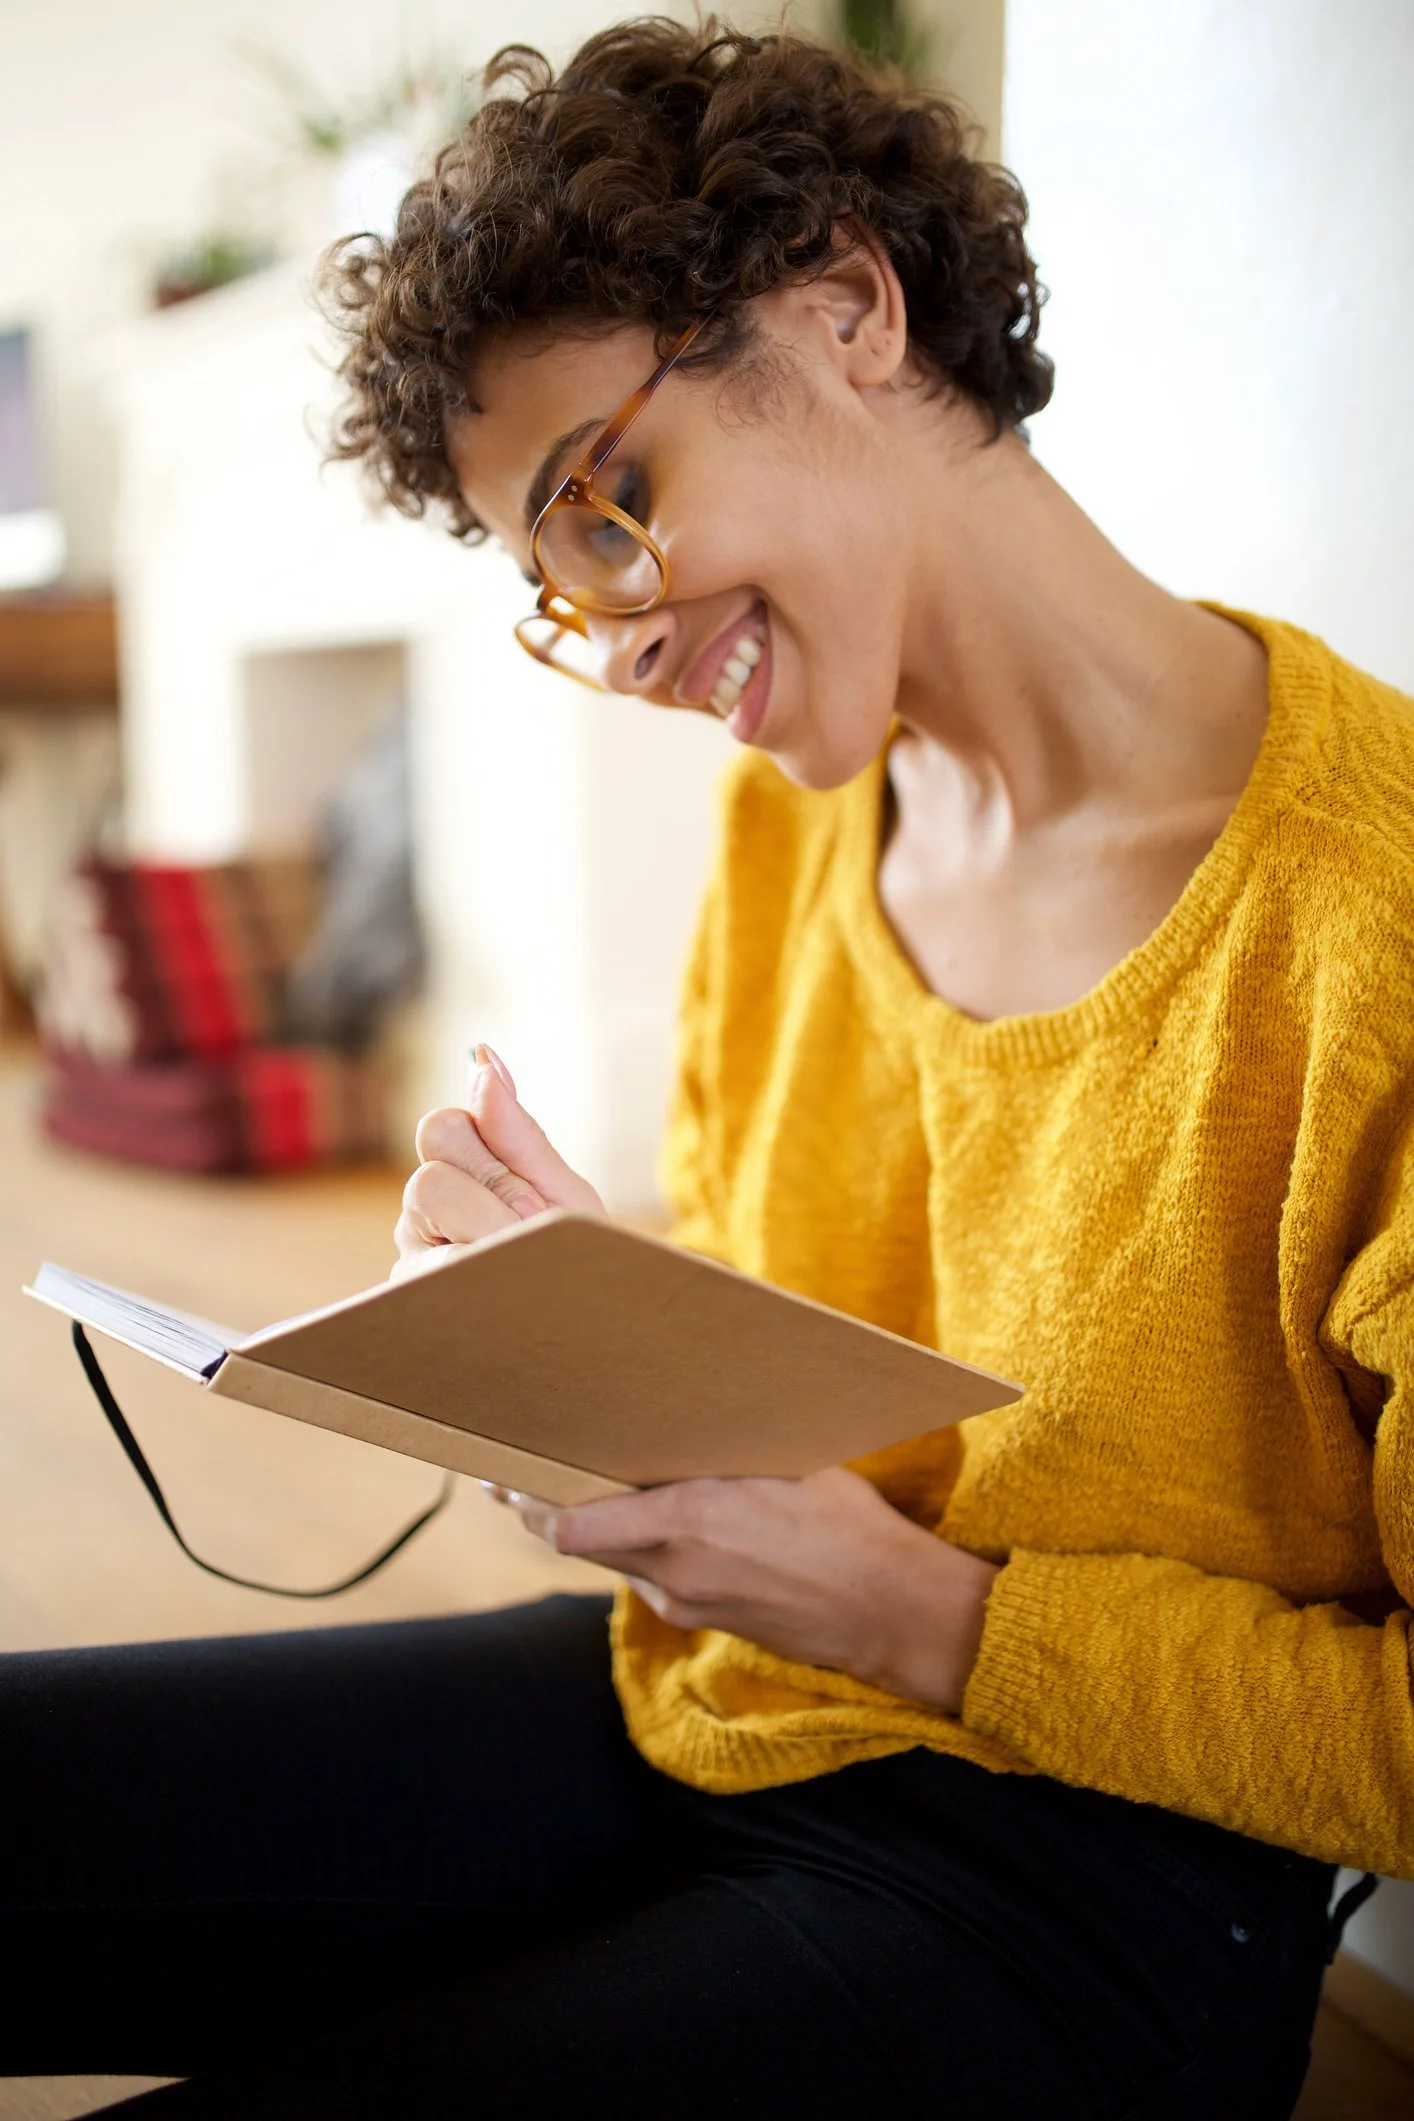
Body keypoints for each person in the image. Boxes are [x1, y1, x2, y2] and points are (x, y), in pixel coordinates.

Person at [5, 20, 1411, 2117]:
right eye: (554, 586)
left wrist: (932, 1616)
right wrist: (590, 1346)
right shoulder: (791, 835)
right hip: (731, 1702)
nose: (618, 642)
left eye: (603, 507)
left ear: (847, 306)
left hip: (1091, 1893)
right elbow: (831, 1378)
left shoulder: (1369, 917)